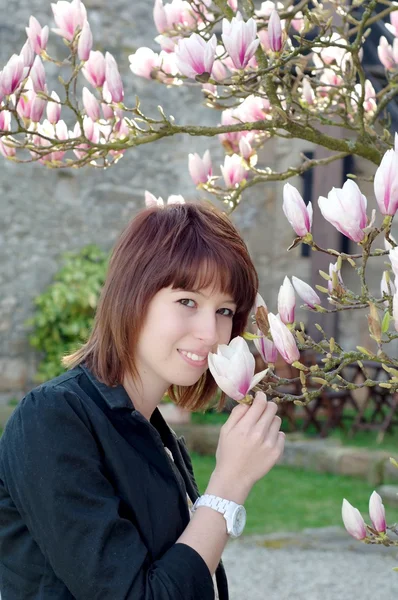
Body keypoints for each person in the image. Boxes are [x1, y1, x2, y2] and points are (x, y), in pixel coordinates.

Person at [0, 201, 285, 599]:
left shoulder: (147, 429)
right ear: (134, 295)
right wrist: (229, 484)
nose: (210, 332)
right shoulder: (52, 419)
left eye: (224, 310)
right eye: (187, 301)